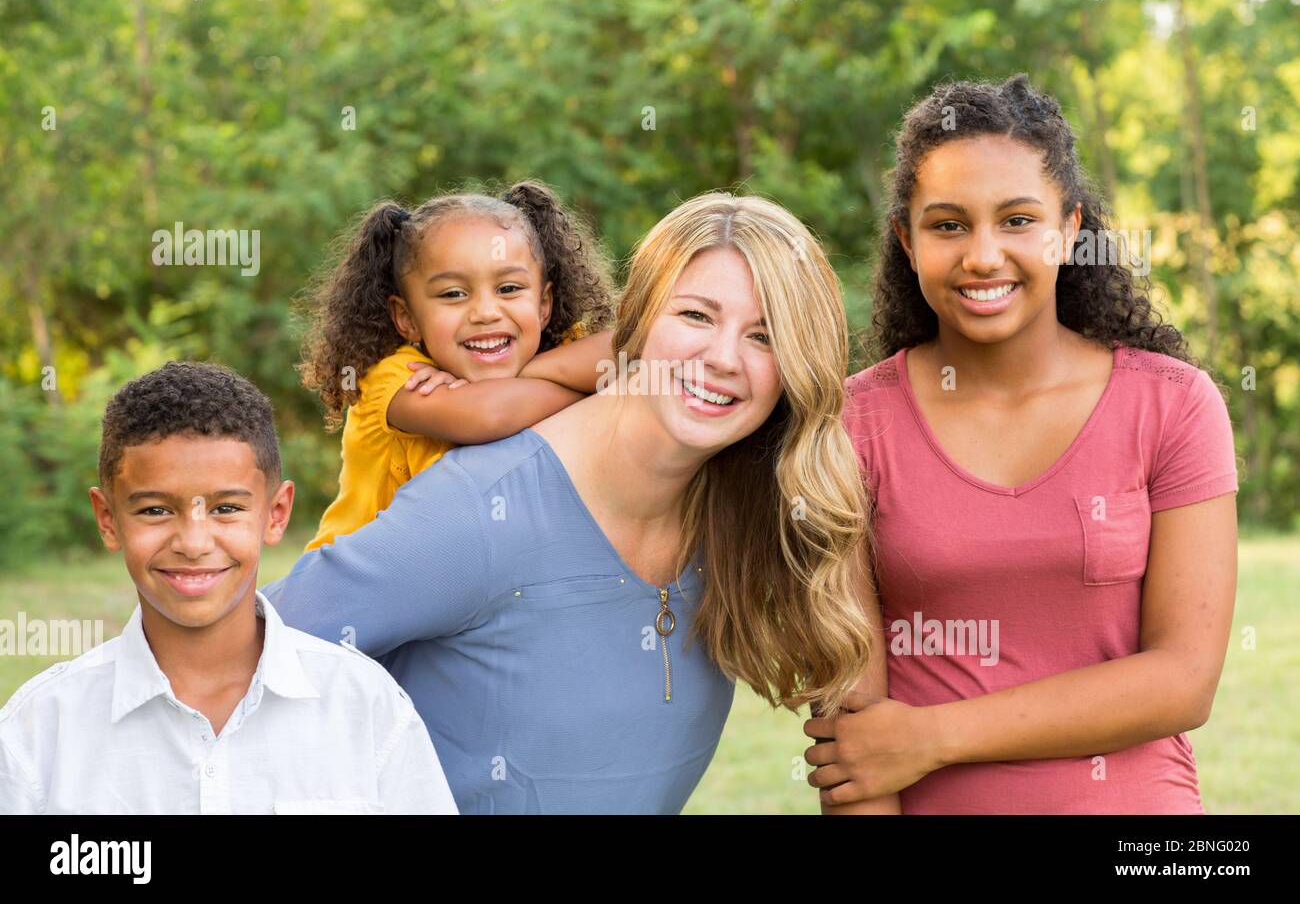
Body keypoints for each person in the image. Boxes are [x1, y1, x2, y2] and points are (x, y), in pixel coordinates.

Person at [265, 192, 873, 813]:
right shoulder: (481, 507)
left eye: (765, 336)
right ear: (633, 323)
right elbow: (232, 654)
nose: (722, 358)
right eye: (695, 316)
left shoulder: (743, 506)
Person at [806, 75, 1238, 814]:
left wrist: (934, 736)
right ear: (907, 241)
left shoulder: (1172, 405)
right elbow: (857, 746)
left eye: (1016, 220)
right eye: (948, 225)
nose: (982, 256)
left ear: (1069, 230)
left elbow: (1183, 679)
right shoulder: (850, 428)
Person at [0, 362, 458, 814]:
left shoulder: (365, 707)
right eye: (156, 511)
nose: (194, 544)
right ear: (108, 519)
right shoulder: (40, 731)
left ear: (276, 514)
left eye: (225, 508)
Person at [297, 180, 616, 550]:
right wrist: (584, 389)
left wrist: (533, 373)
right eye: (453, 294)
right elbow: (490, 414)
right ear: (407, 318)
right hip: (351, 592)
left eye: (509, 288)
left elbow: (628, 350)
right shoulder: (392, 377)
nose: (485, 312)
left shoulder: (545, 356)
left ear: (544, 304)